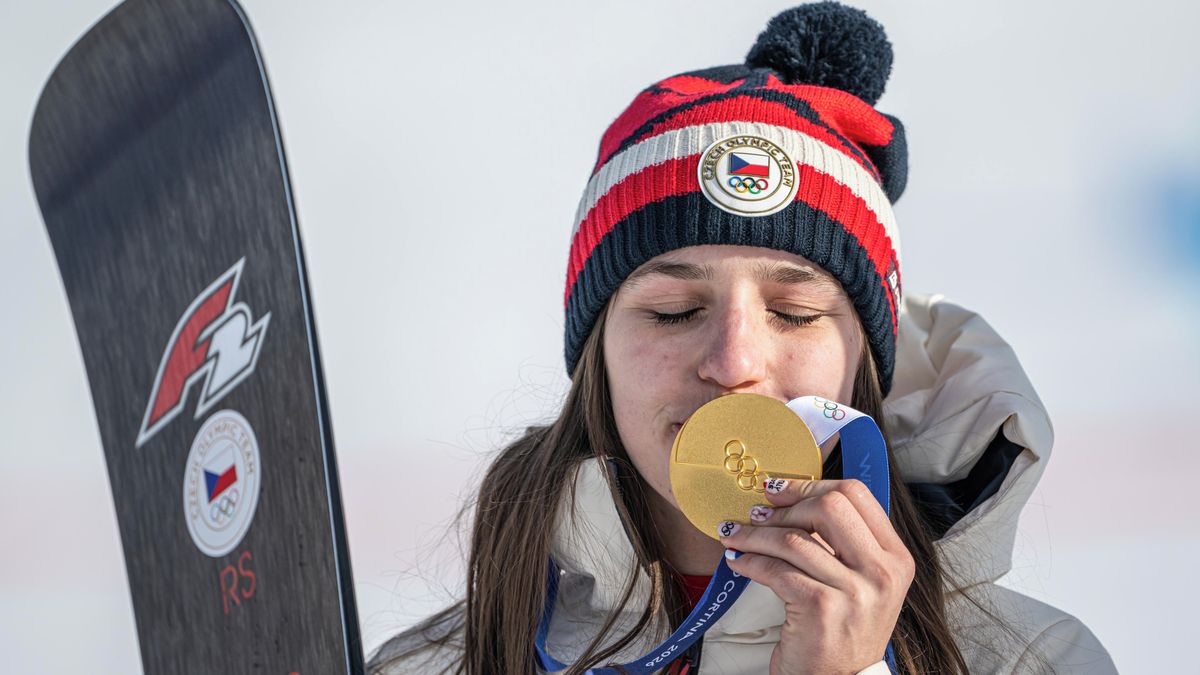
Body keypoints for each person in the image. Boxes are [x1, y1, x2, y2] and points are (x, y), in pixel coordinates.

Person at [368, 2, 1116, 673]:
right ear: (597, 352)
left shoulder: (1035, 662)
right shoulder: (428, 667)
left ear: (865, 357)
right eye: (673, 310)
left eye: (794, 312)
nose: (733, 363)